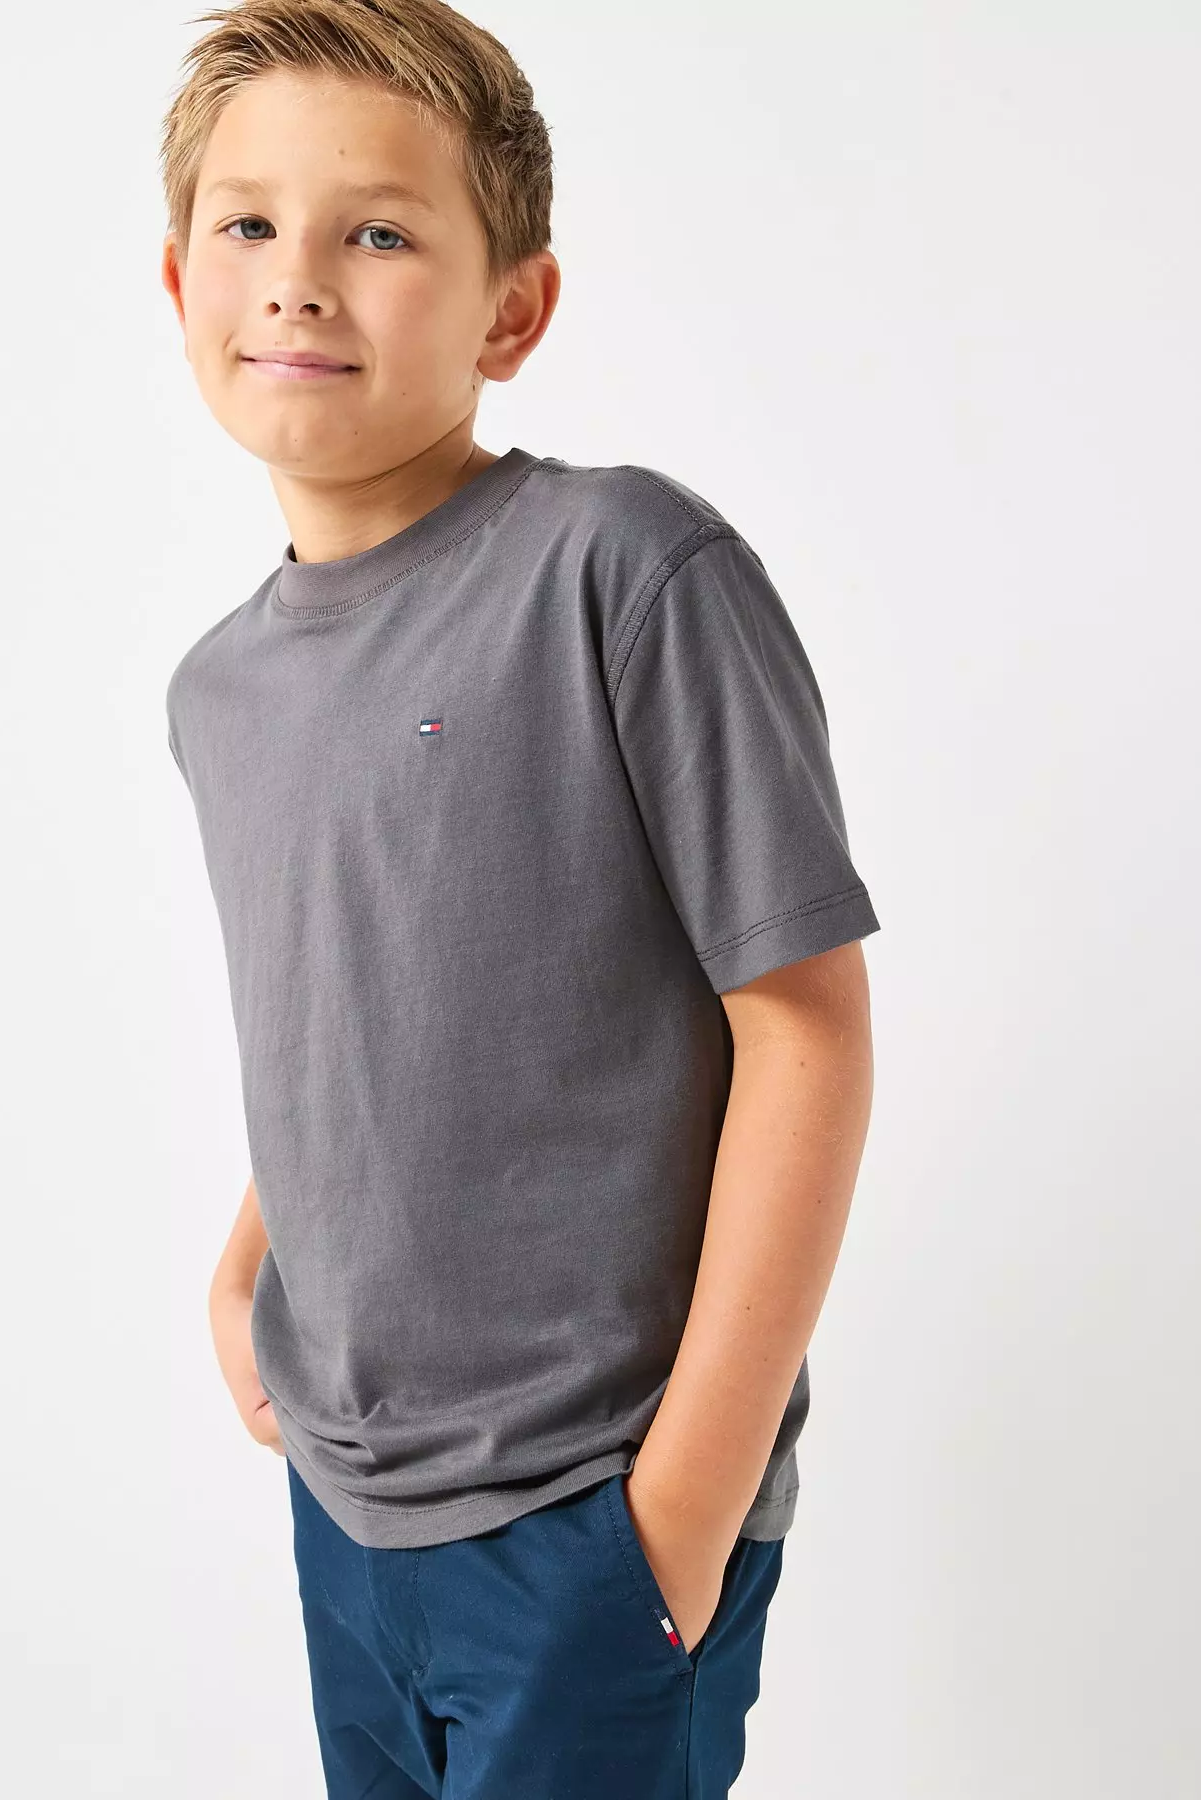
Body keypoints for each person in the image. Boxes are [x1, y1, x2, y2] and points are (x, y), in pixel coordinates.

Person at [160, 3, 880, 1794]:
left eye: (377, 231)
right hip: (347, 1509)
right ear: (177, 281)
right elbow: (375, 1007)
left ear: (512, 310)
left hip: (589, 1514)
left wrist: (679, 1512)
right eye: (248, 223)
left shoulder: (620, 568)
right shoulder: (216, 688)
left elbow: (802, 1033)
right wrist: (248, 1263)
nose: (298, 277)